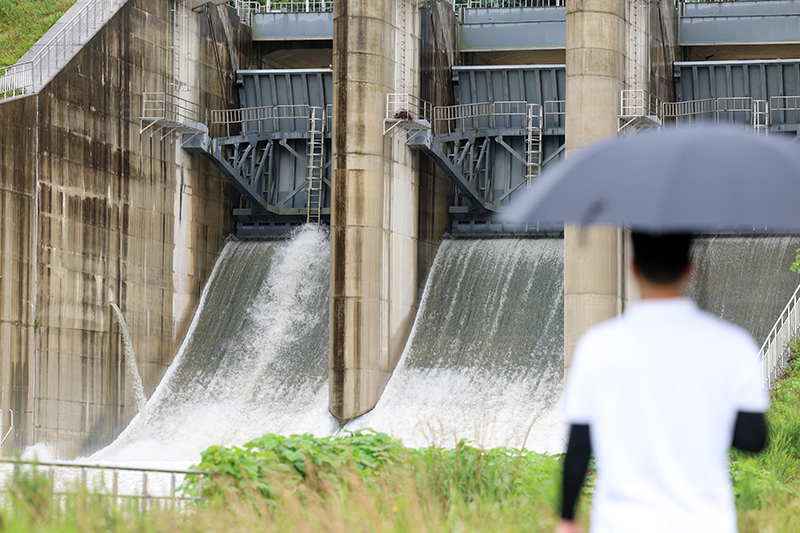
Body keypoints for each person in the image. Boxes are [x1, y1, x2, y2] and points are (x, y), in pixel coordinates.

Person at [556, 232, 768, 533]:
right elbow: (753, 440)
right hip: (705, 523)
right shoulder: (733, 345)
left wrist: (567, 518)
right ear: (690, 268)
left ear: (632, 268)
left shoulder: (599, 346)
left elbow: (579, 443)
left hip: (621, 524)